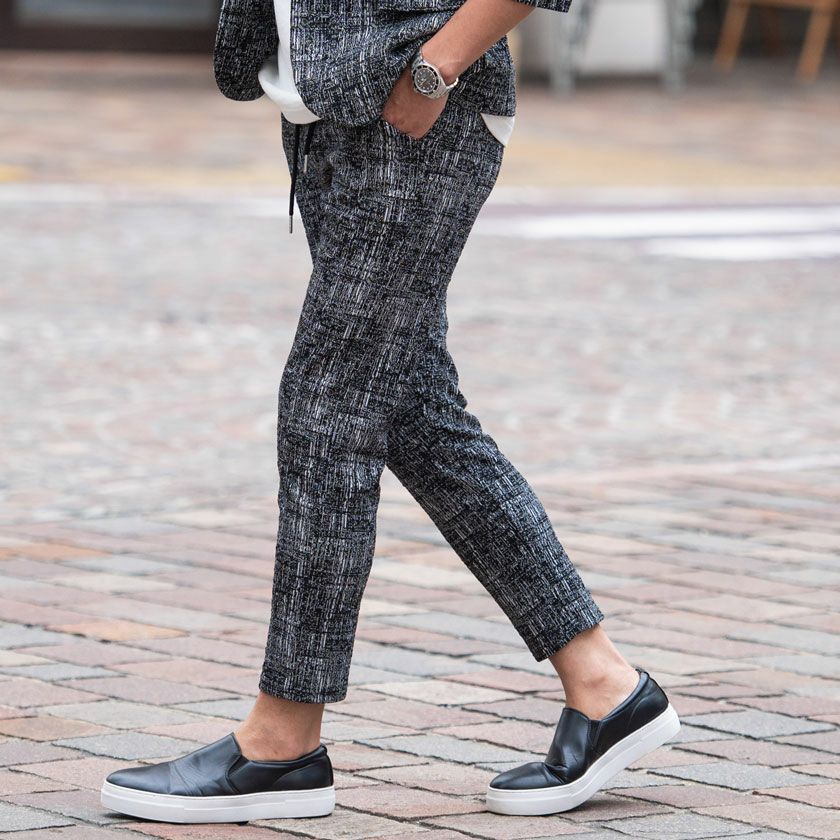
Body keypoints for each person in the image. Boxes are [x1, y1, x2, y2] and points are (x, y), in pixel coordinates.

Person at [100, 0, 680, 824]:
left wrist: (437, 67)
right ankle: (605, 685)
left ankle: (282, 740)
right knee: (413, 413)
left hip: (416, 112)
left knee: (326, 411)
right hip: (330, 116)